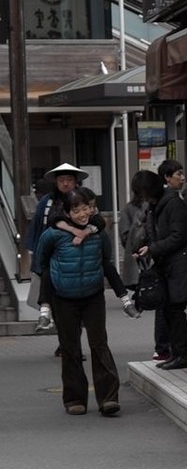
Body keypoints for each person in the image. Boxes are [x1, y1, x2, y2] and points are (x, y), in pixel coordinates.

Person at [35, 189, 140, 416]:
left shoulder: (98, 232)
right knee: (70, 347)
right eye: (77, 210)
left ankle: (108, 398)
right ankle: (74, 398)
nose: (83, 214)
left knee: (99, 344)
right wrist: (46, 303)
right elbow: (42, 265)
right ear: (66, 212)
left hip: (93, 296)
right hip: (63, 298)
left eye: (86, 208)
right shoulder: (52, 235)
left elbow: (106, 262)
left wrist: (124, 298)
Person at [135, 160, 187, 371]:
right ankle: (177, 352)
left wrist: (153, 248)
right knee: (169, 310)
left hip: (182, 264)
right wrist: (146, 246)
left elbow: (178, 236)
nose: (143, 198)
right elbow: (155, 233)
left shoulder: (173, 204)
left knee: (174, 310)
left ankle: (183, 354)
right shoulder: (156, 206)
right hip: (169, 264)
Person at [26, 163, 100, 334]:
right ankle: (61, 335)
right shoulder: (47, 201)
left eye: (69, 179)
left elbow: (97, 221)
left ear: (76, 181)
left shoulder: (85, 199)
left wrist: (86, 233)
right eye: (61, 180)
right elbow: (38, 225)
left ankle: (70, 338)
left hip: (79, 256)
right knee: (55, 301)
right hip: (53, 257)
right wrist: (34, 252)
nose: (65, 183)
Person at [121, 169, 173, 362]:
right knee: (162, 303)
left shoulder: (156, 205)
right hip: (151, 258)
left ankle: (163, 348)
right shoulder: (149, 207)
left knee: (161, 302)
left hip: (149, 257)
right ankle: (163, 348)